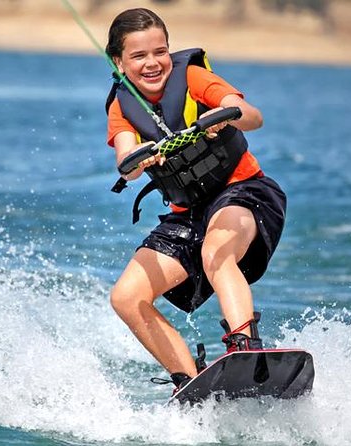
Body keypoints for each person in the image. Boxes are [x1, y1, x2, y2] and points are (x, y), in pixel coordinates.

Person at [105, 8, 286, 393]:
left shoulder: (191, 76)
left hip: (245, 194)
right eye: (138, 56)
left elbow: (253, 117)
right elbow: (126, 162)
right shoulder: (121, 107)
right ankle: (188, 382)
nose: (153, 63)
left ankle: (245, 347)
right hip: (189, 215)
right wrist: (139, 159)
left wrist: (228, 114)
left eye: (160, 51)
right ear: (118, 62)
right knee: (126, 297)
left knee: (216, 251)